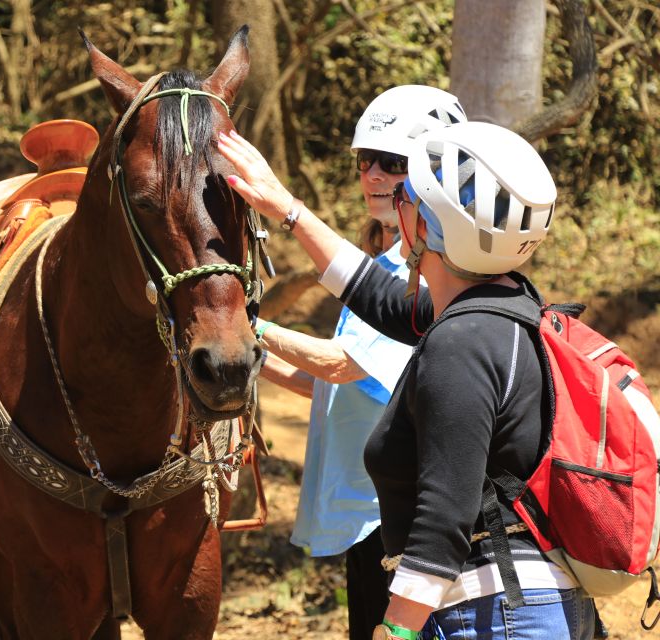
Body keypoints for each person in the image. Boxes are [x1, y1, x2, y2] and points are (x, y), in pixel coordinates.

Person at [218, 121, 597, 639]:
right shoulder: (506, 308)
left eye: (407, 199)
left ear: (424, 227)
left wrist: (395, 632)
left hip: (493, 614)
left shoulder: (460, 345)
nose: (396, 208)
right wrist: (287, 209)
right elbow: (375, 294)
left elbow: (445, 514)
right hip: (524, 607)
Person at [254, 86, 467, 640]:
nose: (371, 175)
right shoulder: (384, 260)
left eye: (391, 163)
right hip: (365, 516)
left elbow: (340, 366)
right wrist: (250, 361)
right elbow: (340, 386)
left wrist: (245, 324)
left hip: (397, 517)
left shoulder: (423, 271)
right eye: (364, 161)